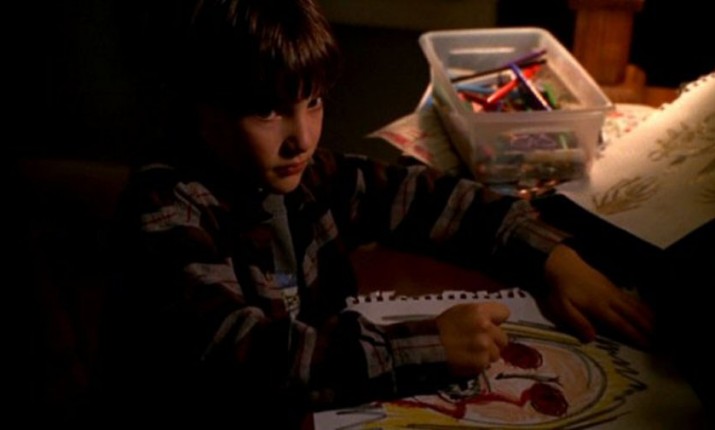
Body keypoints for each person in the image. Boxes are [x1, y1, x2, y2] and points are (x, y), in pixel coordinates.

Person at [99, 0, 654, 426]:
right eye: (268, 112)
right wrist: (430, 347)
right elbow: (245, 360)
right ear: (202, 109)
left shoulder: (308, 176)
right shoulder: (167, 209)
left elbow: (430, 198)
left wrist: (554, 259)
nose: (302, 138)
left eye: (313, 102)